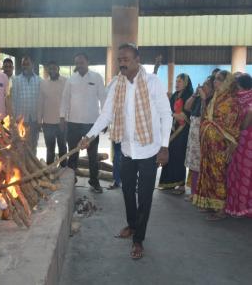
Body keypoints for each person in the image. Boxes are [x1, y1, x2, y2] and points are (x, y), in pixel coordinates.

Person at [80, 43, 172, 259]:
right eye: (119, 59)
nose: (122, 62)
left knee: (145, 196)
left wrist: (165, 146)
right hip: (127, 149)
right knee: (128, 191)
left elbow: (166, 114)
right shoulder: (116, 85)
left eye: (126, 59)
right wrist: (90, 135)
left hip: (149, 149)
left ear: (137, 59)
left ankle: (138, 239)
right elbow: (106, 115)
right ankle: (132, 225)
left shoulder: (152, 82)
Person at [193, 70, 242, 220]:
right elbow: (205, 118)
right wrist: (203, 100)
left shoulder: (232, 102)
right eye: (214, 79)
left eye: (219, 79)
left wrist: (231, 147)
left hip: (220, 145)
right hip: (208, 145)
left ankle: (220, 210)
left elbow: (234, 127)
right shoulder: (215, 97)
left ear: (227, 82)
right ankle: (211, 204)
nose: (215, 82)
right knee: (208, 173)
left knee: (218, 175)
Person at [60, 53, 106, 192]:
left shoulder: (96, 77)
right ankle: (71, 180)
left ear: (87, 62)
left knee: (93, 155)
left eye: (81, 62)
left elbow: (103, 98)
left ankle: (94, 181)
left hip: (92, 124)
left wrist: (104, 121)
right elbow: (65, 99)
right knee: (73, 153)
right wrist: (62, 117)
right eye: (77, 63)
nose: (79, 65)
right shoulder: (71, 80)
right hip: (73, 123)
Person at [158, 73, 193, 193]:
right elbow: (169, 111)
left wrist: (174, 115)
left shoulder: (189, 95)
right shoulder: (174, 95)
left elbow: (185, 115)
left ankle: (181, 185)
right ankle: (169, 183)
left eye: (180, 81)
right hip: (172, 129)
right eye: (176, 81)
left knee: (179, 157)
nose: (177, 84)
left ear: (186, 83)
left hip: (182, 131)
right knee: (170, 154)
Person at [183, 76, 215, 201]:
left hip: (203, 137)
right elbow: (186, 107)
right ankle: (194, 192)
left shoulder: (211, 100)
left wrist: (203, 99)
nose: (203, 86)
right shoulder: (198, 98)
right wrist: (195, 94)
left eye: (207, 84)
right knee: (194, 165)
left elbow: (204, 117)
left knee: (200, 166)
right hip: (193, 137)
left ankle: (199, 194)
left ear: (212, 89)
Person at [225, 74, 252, 217]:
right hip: (244, 141)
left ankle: (241, 207)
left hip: (243, 141)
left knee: (241, 174)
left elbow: (244, 124)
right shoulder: (244, 99)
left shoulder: (240, 101)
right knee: (243, 173)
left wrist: (234, 128)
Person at [38, 61, 67, 167]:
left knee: (63, 147)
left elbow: (68, 101)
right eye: (50, 69)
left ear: (58, 69)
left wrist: (66, 119)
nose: (52, 70)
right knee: (50, 149)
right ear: (48, 70)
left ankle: (64, 170)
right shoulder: (43, 83)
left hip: (62, 122)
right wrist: (39, 120)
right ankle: (50, 170)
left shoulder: (65, 82)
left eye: (54, 68)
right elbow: (40, 102)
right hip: (47, 123)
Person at [11, 56, 41, 155]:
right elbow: (13, 100)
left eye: (27, 64)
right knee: (21, 145)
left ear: (32, 65)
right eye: (23, 64)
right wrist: (14, 119)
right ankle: (23, 168)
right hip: (21, 120)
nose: (25, 66)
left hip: (34, 119)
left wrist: (40, 119)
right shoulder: (16, 80)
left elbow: (41, 101)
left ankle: (33, 168)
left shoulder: (39, 80)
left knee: (33, 144)